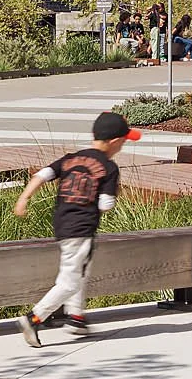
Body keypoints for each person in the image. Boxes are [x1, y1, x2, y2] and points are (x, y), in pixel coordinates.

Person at [12, 111, 135, 343]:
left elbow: (41, 175)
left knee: (79, 270)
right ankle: (34, 318)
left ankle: (76, 318)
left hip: (62, 224)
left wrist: (24, 198)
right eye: (124, 142)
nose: (123, 146)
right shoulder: (109, 167)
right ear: (115, 141)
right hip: (82, 228)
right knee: (69, 282)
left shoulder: (71, 159)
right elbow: (106, 205)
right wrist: (113, 192)